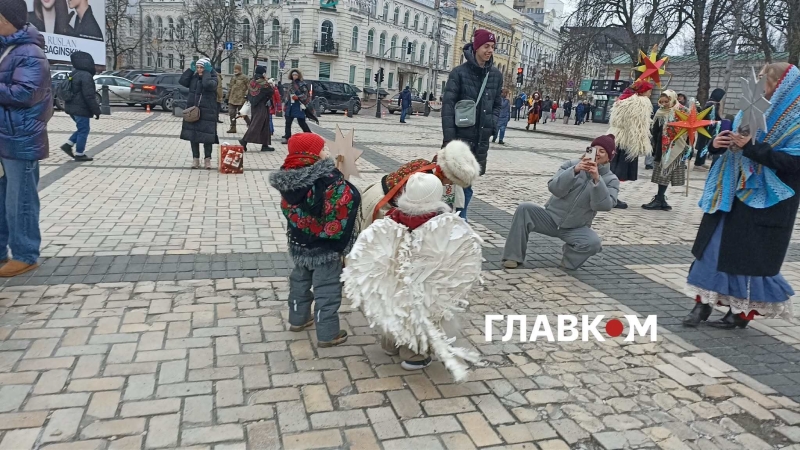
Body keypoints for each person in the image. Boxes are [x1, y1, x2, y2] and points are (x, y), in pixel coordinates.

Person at [683, 63, 800, 329]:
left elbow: (794, 164)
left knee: (746, 260)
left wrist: (754, 148)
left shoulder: (796, 119)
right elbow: (733, 144)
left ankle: (739, 313)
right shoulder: (750, 108)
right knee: (712, 250)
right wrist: (718, 144)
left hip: (767, 202)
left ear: (781, 84)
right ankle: (702, 305)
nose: (759, 84)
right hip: (730, 194)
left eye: (764, 79)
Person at [343, 172, 483, 378]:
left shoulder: (390, 219)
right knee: (419, 312)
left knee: (393, 306)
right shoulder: (441, 226)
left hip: (393, 280)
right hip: (423, 285)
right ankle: (414, 354)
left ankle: (390, 343)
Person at [269, 133, 360, 347]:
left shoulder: (288, 179)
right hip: (326, 246)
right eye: (323, 148)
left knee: (299, 281)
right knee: (327, 287)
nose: (327, 151)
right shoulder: (327, 179)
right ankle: (328, 333)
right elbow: (345, 201)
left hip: (300, 242)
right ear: (311, 153)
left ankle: (298, 319)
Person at [502, 135, 619, 270]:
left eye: (602, 151)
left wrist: (597, 180)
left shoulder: (611, 179)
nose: (597, 154)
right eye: (594, 149)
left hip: (576, 227)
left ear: (609, 157)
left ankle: (569, 260)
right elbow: (554, 188)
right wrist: (574, 170)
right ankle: (512, 257)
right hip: (550, 219)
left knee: (593, 243)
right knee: (524, 209)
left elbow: (603, 206)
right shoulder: (571, 164)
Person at [0, 0, 52, 277]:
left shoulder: (30, 52)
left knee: (19, 201)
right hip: (5, 136)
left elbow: (25, 93)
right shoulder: (7, 48)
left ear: (8, 19)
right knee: (2, 199)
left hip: (21, 138)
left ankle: (25, 254)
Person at [441, 29, 503, 221]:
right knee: (453, 184)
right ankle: (455, 222)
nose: (490, 50)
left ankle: (458, 223)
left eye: (492, 47)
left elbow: (497, 104)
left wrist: (492, 124)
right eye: (486, 46)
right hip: (460, 140)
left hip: (480, 140)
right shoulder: (459, 74)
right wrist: (450, 141)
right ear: (476, 47)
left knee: (468, 182)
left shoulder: (495, 76)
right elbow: (448, 108)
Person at [358, 140, 480, 231]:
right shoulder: (428, 182)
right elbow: (412, 218)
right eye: (452, 182)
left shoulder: (427, 165)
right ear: (447, 176)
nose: (451, 186)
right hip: (380, 203)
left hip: (376, 193)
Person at [608, 80, 654, 209]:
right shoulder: (641, 102)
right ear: (643, 91)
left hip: (615, 137)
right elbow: (639, 126)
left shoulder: (623, 99)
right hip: (628, 139)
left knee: (612, 168)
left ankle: (608, 194)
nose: (651, 93)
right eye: (649, 90)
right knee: (619, 171)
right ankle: (612, 197)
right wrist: (641, 144)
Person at [642, 90, 689, 211]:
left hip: (678, 146)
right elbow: (655, 129)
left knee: (669, 172)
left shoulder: (683, 111)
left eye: (666, 101)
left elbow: (690, 128)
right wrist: (653, 144)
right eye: (661, 101)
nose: (664, 104)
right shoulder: (660, 112)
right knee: (662, 173)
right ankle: (660, 198)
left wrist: (689, 146)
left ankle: (660, 198)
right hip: (661, 146)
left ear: (672, 99)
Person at [179, 58, 219, 170]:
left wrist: (207, 73)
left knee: (207, 138)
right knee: (193, 136)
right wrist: (190, 71)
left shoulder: (214, 78)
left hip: (207, 112)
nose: (199, 70)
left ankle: (207, 160)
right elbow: (182, 81)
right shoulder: (194, 77)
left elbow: (207, 85)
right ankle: (195, 159)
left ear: (207, 68)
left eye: (202, 67)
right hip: (193, 111)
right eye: (198, 67)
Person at [60, 51, 100, 162]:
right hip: (81, 108)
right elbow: (89, 96)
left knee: (82, 129)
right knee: (84, 130)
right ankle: (79, 154)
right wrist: (96, 110)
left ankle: (68, 145)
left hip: (71, 107)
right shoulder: (86, 76)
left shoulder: (74, 73)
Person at [239, 66, 274, 152]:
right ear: (263, 73)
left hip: (254, 106)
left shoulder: (252, 81)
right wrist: (270, 83)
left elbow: (249, 93)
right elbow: (270, 91)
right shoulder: (263, 83)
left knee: (265, 125)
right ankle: (244, 141)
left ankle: (265, 145)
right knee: (257, 124)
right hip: (262, 106)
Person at [694, 88, 726, 167]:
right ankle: (698, 164)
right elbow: (712, 117)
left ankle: (701, 162)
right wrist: (720, 121)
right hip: (706, 128)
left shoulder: (711, 103)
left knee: (705, 145)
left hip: (707, 128)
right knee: (703, 145)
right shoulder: (711, 104)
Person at [281, 68, 311, 144]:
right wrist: (285, 104)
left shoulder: (302, 84)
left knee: (301, 122)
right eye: (293, 74)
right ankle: (287, 137)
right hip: (290, 105)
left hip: (298, 105)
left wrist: (298, 97)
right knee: (288, 122)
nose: (294, 76)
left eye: (296, 75)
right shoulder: (290, 84)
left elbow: (306, 95)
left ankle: (309, 135)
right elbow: (287, 95)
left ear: (298, 75)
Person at [226, 63, 249, 133]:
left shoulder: (245, 78)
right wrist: (227, 97)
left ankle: (250, 124)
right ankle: (233, 127)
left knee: (242, 113)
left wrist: (246, 95)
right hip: (232, 98)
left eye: (237, 69)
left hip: (241, 99)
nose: (235, 70)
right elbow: (230, 87)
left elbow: (249, 87)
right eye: (235, 69)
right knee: (231, 113)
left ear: (240, 70)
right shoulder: (233, 77)